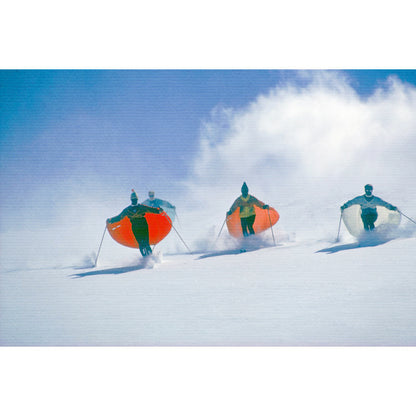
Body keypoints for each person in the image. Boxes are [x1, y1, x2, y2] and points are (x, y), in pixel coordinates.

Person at [107, 189, 163, 257]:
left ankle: (149, 258)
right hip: (141, 226)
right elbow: (151, 209)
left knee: (143, 244)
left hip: (139, 227)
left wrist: (110, 220)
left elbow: (119, 217)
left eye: (135, 199)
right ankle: (148, 258)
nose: (134, 200)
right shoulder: (140, 207)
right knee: (143, 243)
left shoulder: (128, 210)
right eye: (134, 199)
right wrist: (158, 211)